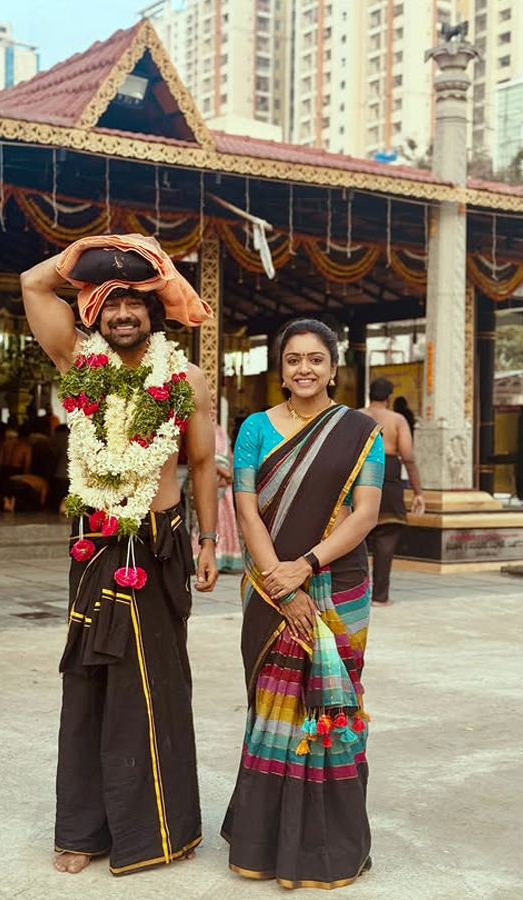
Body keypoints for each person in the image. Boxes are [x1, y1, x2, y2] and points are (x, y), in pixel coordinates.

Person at [20, 236, 218, 878]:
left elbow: (199, 464)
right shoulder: (78, 360)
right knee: (88, 683)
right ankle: (80, 830)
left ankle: (159, 831)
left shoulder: (185, 378)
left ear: (154, 312)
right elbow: (32, 284)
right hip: (96, 542)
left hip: (158, 543)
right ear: (94, 313)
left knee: (154, 684)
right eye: (112, 302)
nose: (124, 313)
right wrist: (96, 252)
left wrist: (209, 541)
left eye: (137, 300)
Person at [222, 318, 384, 889]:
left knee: (333, 711)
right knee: (274, 708)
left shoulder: (362, 431)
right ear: (281, 368)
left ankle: (329, 848)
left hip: (338, 584)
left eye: (316, 359)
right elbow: (247, 510)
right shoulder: (253, 430)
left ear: (334, 367)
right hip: (270, 586)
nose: (305, 369)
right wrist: (279, 581)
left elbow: (365, 513)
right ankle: (265, 845)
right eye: (293, 359)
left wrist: (308, 566)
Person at [360, 378, 425, 607]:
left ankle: (350, 594)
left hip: (359, 478)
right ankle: (379, 597)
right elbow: (408, 456)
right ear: (388, 398)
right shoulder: (397, 420)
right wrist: (418, 491)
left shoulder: (355, 416)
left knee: (352, 536)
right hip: (388, 480)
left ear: (369, 395)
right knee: (386, 539)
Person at [191, 418, 243, 573]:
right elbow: (203, 458)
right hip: (211, 478)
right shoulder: (200, 426)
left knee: (226, 517)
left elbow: (230, 454)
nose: (212, 409)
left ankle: (225, 558)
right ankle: (203, 556)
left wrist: (232, 473)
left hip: (225, 481)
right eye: (210, 405)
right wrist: (223, 473)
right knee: (210, 517)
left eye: (214, 405)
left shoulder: (220, 430)